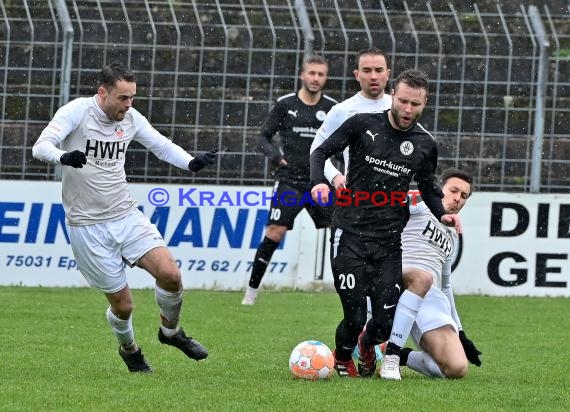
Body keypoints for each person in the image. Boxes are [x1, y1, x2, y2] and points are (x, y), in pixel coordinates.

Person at [32, 63, 216, 373]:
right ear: (102, 93)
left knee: (170, 275)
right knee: (124, 306)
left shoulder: (131, 118)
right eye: (122, 98)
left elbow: (161, 145)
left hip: (126, 214)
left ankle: (170, 333)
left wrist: (191, 163)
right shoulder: (77, 112)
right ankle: (130, 349)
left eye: (132, 98)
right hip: (87, 226)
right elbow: (40, 147)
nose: (128, 105)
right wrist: (63, 157)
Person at [309, 69, 462, 378]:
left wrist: (442, 212)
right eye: (403, 101)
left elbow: (430, 187)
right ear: (394, 94)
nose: (407, 110)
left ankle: (367, 345)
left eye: (415, 105)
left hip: (390, 242)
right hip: (349, 233)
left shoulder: (424, 145)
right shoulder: (363, 123)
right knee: (353, 316)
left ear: (424, 103)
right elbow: (321, 151)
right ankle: (341, 357)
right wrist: (318, 182)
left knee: (384, 322)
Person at [241, 55, 338, 305]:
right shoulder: (285, 105)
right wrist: (276, 156)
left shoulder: (332, 108)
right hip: (290, 182)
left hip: (320, 183)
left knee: (341, 233)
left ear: (325, 78)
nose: (316, 78)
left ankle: (346, 290)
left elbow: (343, 142)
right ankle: (251, 292)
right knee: (275, 232)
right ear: (302, 75)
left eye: (321, 74)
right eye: (312, 73)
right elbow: (263, 137)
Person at [383, 168, 482, 379]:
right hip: (402, 279)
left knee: (457, 369)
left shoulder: (452, 236)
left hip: (431, 298)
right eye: (454, 190)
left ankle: (401, 356)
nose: (458, 199)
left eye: (464, 196)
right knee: (422, 278)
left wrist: (461, 332)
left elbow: (445, 286)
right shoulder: (420, 203)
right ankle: (380, 350)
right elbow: (385, 201)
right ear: (438, 189)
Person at [310, 47, 392, 190]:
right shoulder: (342, 110)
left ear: (388, 74)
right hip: (357, 198)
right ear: (357, 75)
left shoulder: (401, 108)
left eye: (379, 70)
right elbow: (317, 148)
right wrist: (334, 176)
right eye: (367, 70)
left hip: (393, 198)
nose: (373, 76)